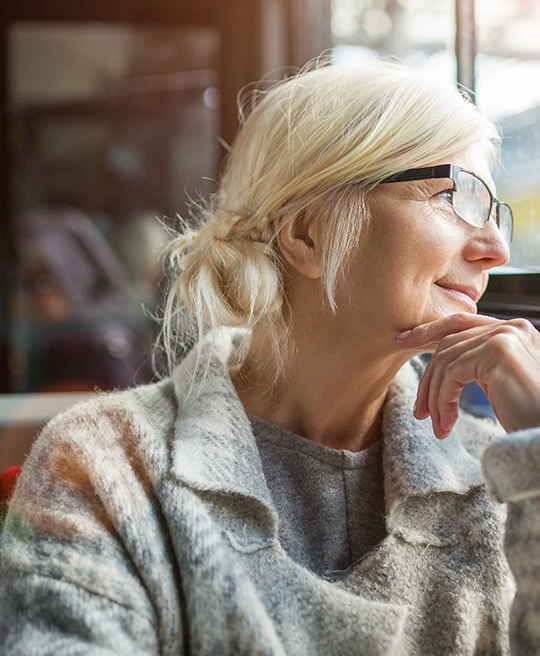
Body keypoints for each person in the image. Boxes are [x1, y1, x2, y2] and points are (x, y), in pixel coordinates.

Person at [1, 60, 540, 656]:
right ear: (307, 231)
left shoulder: (504, 471)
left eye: (495, 213)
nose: (495, 248)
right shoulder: (102, 464)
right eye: (454, 195)